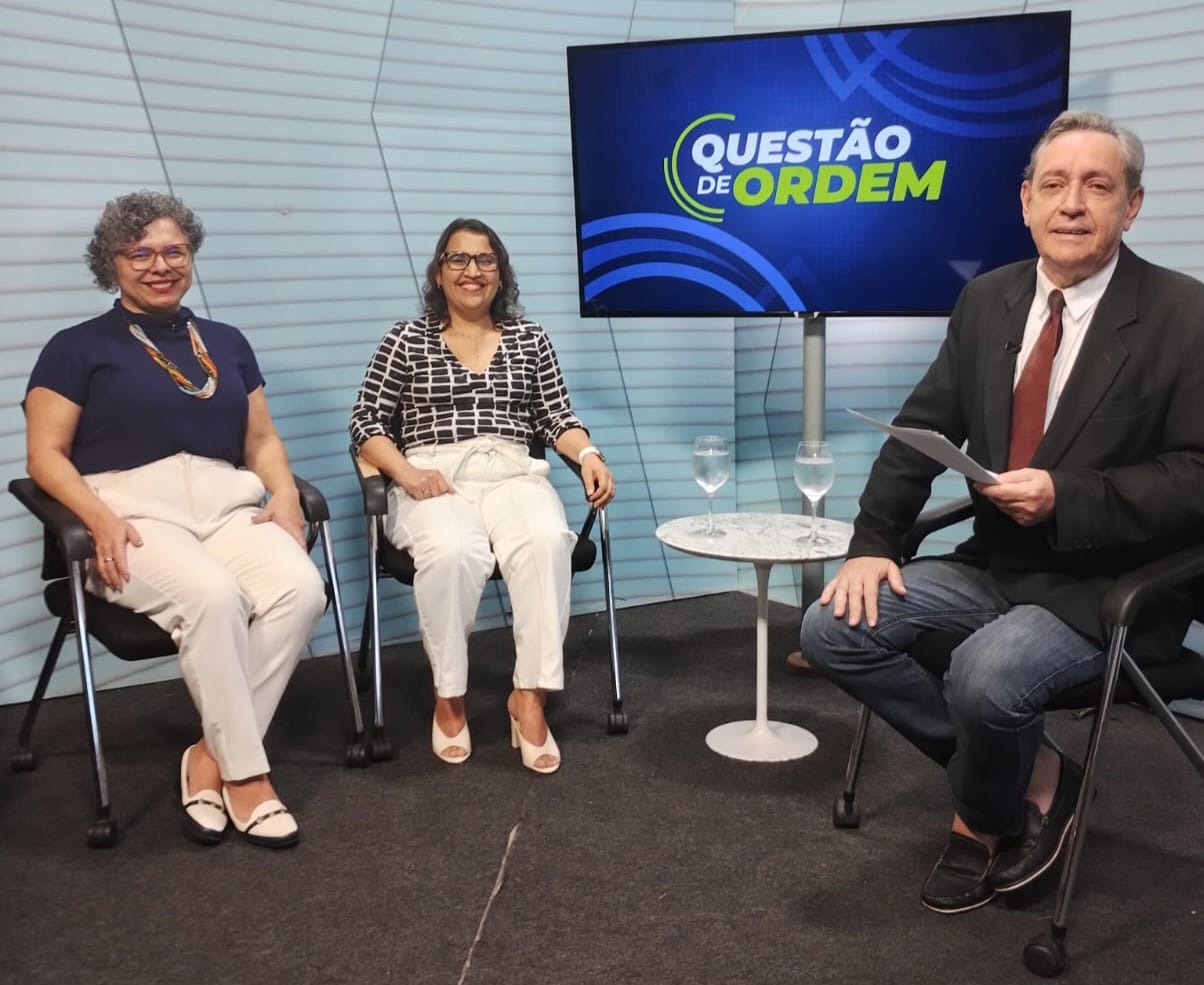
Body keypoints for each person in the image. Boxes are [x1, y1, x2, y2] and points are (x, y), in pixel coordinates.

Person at [800, 110, 1204, 913]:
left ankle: (981, 819)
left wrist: (1067, 495)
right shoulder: (988, 299)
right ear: (1026, 202)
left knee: (985, 675)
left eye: (1097, 186)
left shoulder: (1185, 314)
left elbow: (1197, 474)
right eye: (1054, 184)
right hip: (999, 564)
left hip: (1109, 581)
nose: (1072, 203)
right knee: (831, 627)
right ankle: (1039, 774)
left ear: (1132, 205)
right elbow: (920, 433)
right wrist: (873, 542)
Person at [24, 190, 327, 848]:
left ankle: (208, 758)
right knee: (215, 597)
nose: (159, 265)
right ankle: (247, 776)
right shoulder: (75, 347)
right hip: (129, 510)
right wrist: (96, 517)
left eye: (174, 251)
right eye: (140, 253)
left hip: (224, 501)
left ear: (191, 255)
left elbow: (260, 439)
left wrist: (282, 492)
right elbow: (44, 455)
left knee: (301, 589)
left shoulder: (225, 342)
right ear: (111, 262)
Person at [349, 217, 615, 774]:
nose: (472, 270)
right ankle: (449, 698)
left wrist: (588, 454)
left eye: (485, 259)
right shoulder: (405, 338)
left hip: (512, 470)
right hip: (432, 473)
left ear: (500, 273)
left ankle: (530, 697)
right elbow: (365, 422)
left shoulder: (530, 339)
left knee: (547, 539)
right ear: (439, 273)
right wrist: (406, 473)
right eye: (459, 259)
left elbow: (556, 417)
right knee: (453, 550)